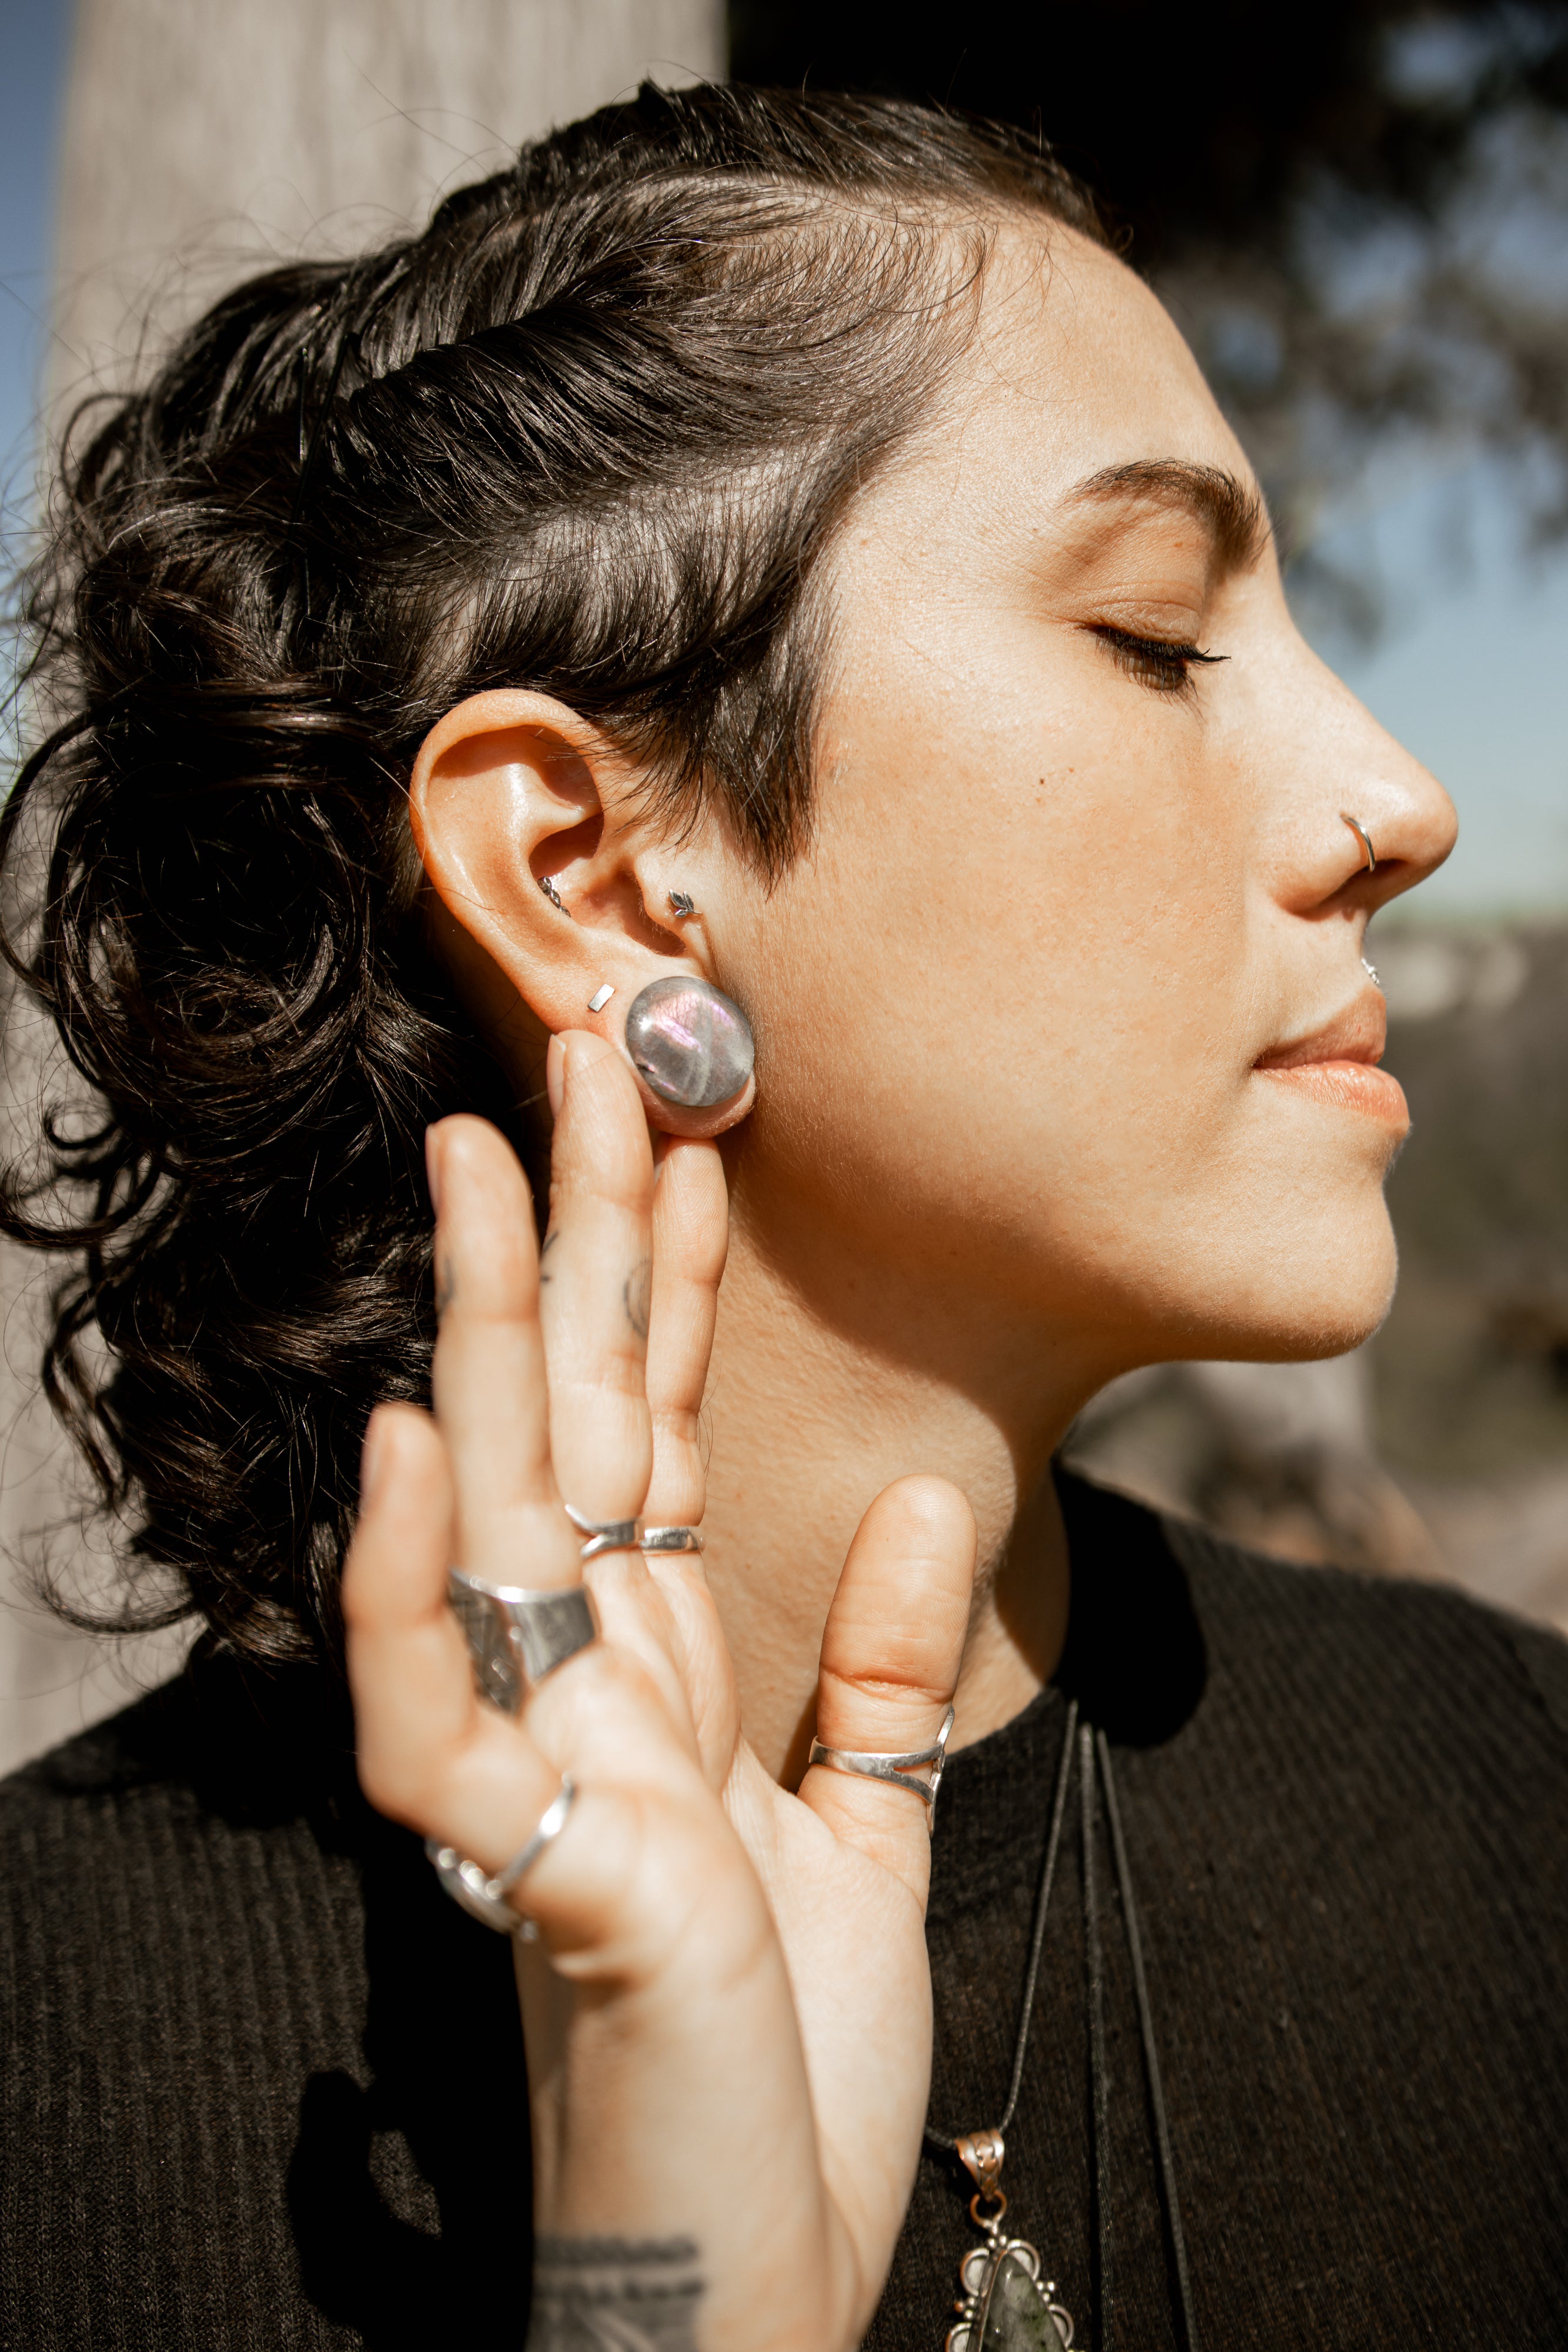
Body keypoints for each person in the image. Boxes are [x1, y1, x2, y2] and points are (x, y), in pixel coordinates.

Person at [1, 80, 1563, 2352]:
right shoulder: (54, 2105)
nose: (1392, 797)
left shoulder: (1510, 1815)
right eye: (1154, 630)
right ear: (590, 871)